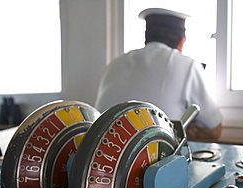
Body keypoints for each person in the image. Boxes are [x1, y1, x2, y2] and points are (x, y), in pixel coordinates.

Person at [95, 8, 223, 140]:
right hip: (154, 156)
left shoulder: (114, 64)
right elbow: (215, 131)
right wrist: (182, 130)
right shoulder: (187, 65)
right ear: (181, 41)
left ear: (147, 37)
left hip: (105, 153)